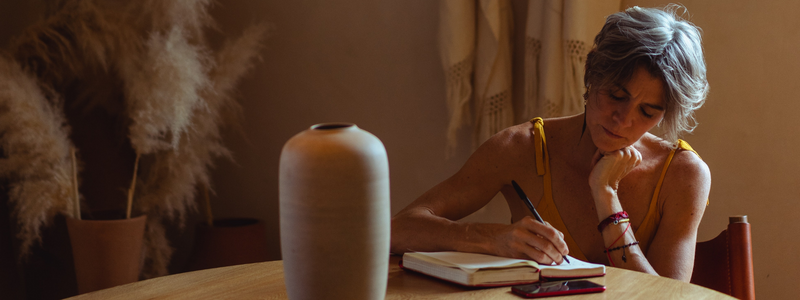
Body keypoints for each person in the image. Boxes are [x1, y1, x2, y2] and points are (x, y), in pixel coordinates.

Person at [391, 5, 710, 282]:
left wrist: (606, 196)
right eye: (616, 95)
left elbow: (668, 297)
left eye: (647, 111)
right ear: (590, 72)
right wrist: (492, 239)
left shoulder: (682, 175)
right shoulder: (523, 148)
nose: (624, 120)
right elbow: (397, 230)